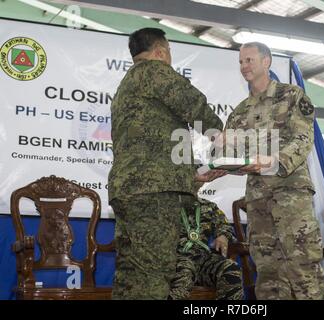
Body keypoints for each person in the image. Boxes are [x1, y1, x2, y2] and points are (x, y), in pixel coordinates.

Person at [108, 27, 223, 299]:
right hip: (154, 194)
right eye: (169, 51)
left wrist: (192, 173)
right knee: (155, 273)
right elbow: (193, 105)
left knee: (130, 275)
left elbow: (154, 140)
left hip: (129, 190)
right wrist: (220, 137)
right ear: (161, 51)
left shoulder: (126, 85)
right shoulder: (155, 71)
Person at [215, 42, 324, 299]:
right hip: (258, 202)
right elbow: (234, 158)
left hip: (291, 197)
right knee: (268, 276)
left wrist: (274, 160)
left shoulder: (292, 95)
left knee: (304, 272)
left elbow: (302, 139)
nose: (244, 66)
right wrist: (217, 158)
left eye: (249, 60)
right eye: (241, 62)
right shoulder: (239, 112)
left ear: (266, 62)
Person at [169, 198, 244, 300]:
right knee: (184, 271)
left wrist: (223, 235)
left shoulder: (209, 206)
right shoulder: (166, 203)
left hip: (203, 259)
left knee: (230, 268)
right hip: (175, 258)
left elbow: (225, 225)